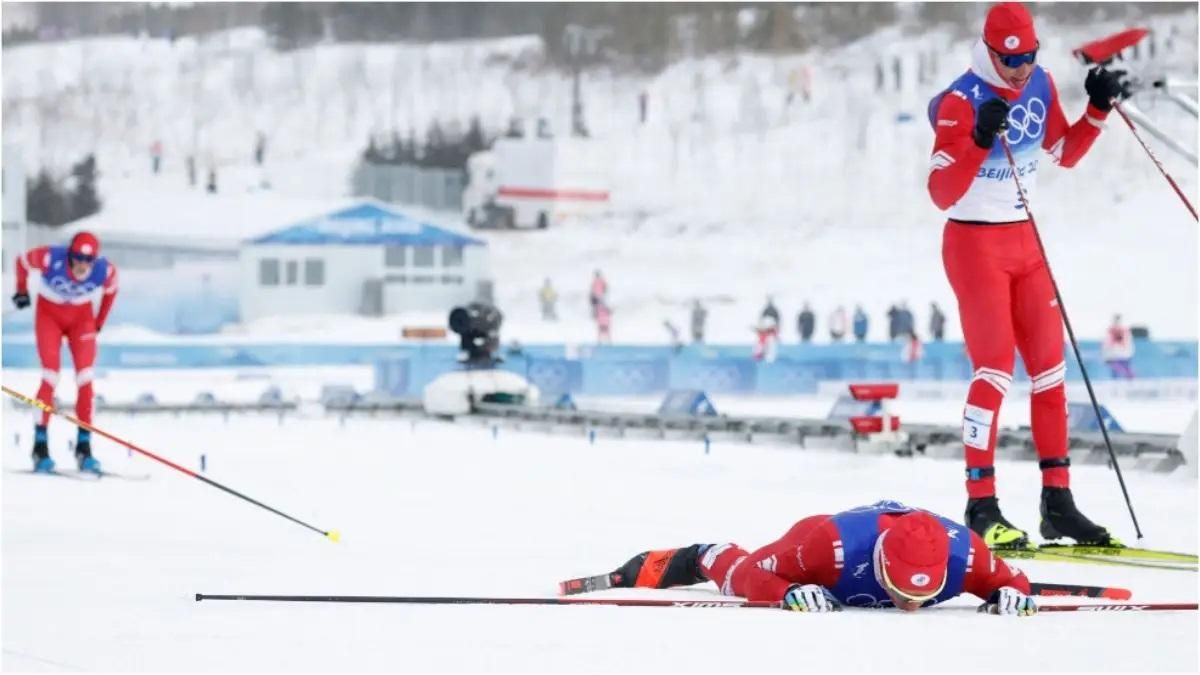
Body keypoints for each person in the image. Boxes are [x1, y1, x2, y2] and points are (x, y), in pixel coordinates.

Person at [927, 2, 1129, 547]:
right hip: (974, 244)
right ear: (991, 50)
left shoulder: (1038, 82)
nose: (1019, 68)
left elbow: (1062, 153)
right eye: (1010, 59)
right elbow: (941, 192)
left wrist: (1097, 110)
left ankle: (1057, 504)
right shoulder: (959, 100)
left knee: (1049, 371)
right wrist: (974, 143)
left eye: (1028, 56)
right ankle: (981, 505)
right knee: (994, 370)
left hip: (1026, 240)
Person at [579, 500, 1036, 615]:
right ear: (881, 568)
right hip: (824, 539)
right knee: (737, 571)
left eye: (926, 593)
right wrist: (789, 590)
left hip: (911, 535)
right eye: (900, 591)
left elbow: (1015, 582)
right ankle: (700, 555)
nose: (912, 605)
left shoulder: (968, 556)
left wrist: (1012, 596)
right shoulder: (829, 547)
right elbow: (758, 575)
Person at [12, 231, 118, 474]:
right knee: (51, 375)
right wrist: (22, 290)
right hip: (49, 315)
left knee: (86, 378)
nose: (82, 265)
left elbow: (111, 291)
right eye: (78, 258)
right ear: (70, 254)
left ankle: (84, 447)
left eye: (88, 260)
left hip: (81, 318)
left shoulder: (106, 270)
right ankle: (40, 448)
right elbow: (22, 261)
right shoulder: (51, 258)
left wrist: (99, 321)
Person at [1102, 314, 1135, 379]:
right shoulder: (1110, 330)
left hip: (1123, 353)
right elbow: (1106, 342)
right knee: (1115, 369)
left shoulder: (1125, 330)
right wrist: (1106, 353)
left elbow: (1128, 342)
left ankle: (1130, 377)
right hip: (1114, 353)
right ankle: (1127, 377)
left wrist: (1129, 352)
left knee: (1125, 368)